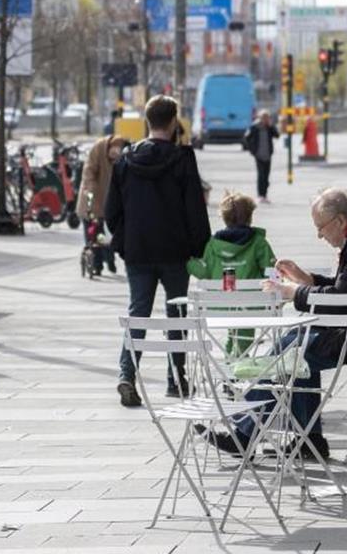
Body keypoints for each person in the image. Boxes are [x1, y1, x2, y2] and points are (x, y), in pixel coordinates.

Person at [202, 188, 347, 460]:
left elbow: (345, 298)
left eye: (321, 228)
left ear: (340, 221)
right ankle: (306, 440)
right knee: (295, 341)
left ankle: (250, 433)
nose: (319, 235)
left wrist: (292, 293)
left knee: (295, 350)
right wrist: (306, 279)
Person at [106, 95, 211, 408]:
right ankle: (176, 380)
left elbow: (112, 210)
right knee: (176, 312)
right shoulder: (182, 159)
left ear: (146, 121)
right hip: (175, 250)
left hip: (138, 250)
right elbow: (194, 207)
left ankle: (127, 374)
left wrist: (124, 242)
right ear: (174, 122)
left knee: (138, 310)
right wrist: (199, 246)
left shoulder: (125, 160)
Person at [186, 192, 277, 354]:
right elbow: (271, 271)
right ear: (250, 217)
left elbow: (204, 271)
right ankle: (239, 361)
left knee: (233, 325)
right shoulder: (258, 242)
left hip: (219, 304)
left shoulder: (214, 244)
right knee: (243, 325)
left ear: (224, 218)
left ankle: (232, 361)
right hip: (251, 305)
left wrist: (188, 262)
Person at [77, 133, 128, 274]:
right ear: (110, 146)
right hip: (91, 198)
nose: (115, 156)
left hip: (108, 200)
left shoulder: (121, 158)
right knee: (93, 233)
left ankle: (109, 259)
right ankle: (96, 264)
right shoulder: (98, 149)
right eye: (114, 153)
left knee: (106, 234)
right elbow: (88, 171)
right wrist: (91, 189)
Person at [242, 110, 280, 203]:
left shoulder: (269, 127)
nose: (266, 119)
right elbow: (246, 138)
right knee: (261, 175)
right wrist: (252, 150)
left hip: (268, 154)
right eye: (264, 117)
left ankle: (264, 195)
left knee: (266, 176)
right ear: (260, 118)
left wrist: (271, 126)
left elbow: (277, 135)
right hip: (258, 155)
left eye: (267, 117)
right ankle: (260, 195)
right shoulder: (254, 127)